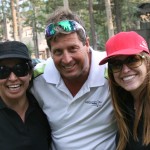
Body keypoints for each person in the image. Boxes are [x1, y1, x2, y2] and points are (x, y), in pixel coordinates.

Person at [31, 7, 117, 150]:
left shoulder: (112, 69)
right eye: (58, 51)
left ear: (87, 44)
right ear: (50, 53)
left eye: (72, 49)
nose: (67, 59)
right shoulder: (38, 77)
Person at [99, 31, 150, 150]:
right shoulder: (124, 104)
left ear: (147, 62)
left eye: (132, 60)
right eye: (116, 64)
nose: (125, 70)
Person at [0, 41, 51, 150]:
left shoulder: (44, 107)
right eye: (3, 71)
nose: (13, 78)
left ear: (30, 74)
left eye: (20, 69)